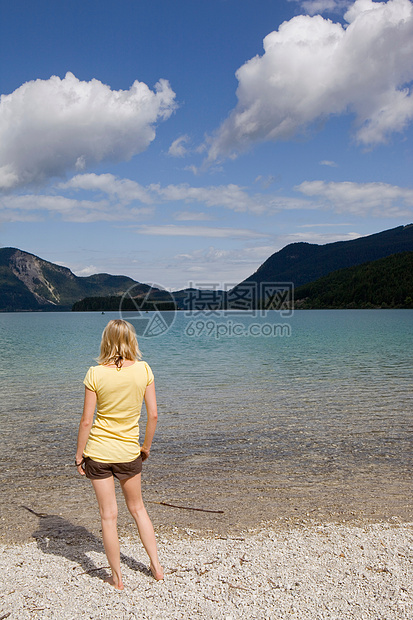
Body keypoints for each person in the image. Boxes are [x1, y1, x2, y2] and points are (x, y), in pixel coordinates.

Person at [75, 319, 163, 589]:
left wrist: (79, 455)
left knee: (108, 516)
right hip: (128, 452)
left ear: (106, 341)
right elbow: (154, 415)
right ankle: (157, 568)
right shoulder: (144, 370)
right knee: (138, 509)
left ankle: (117, 578)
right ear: (131, 340)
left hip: (99, 454)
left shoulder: (95, 373)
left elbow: (86, 421)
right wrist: (145, 447)